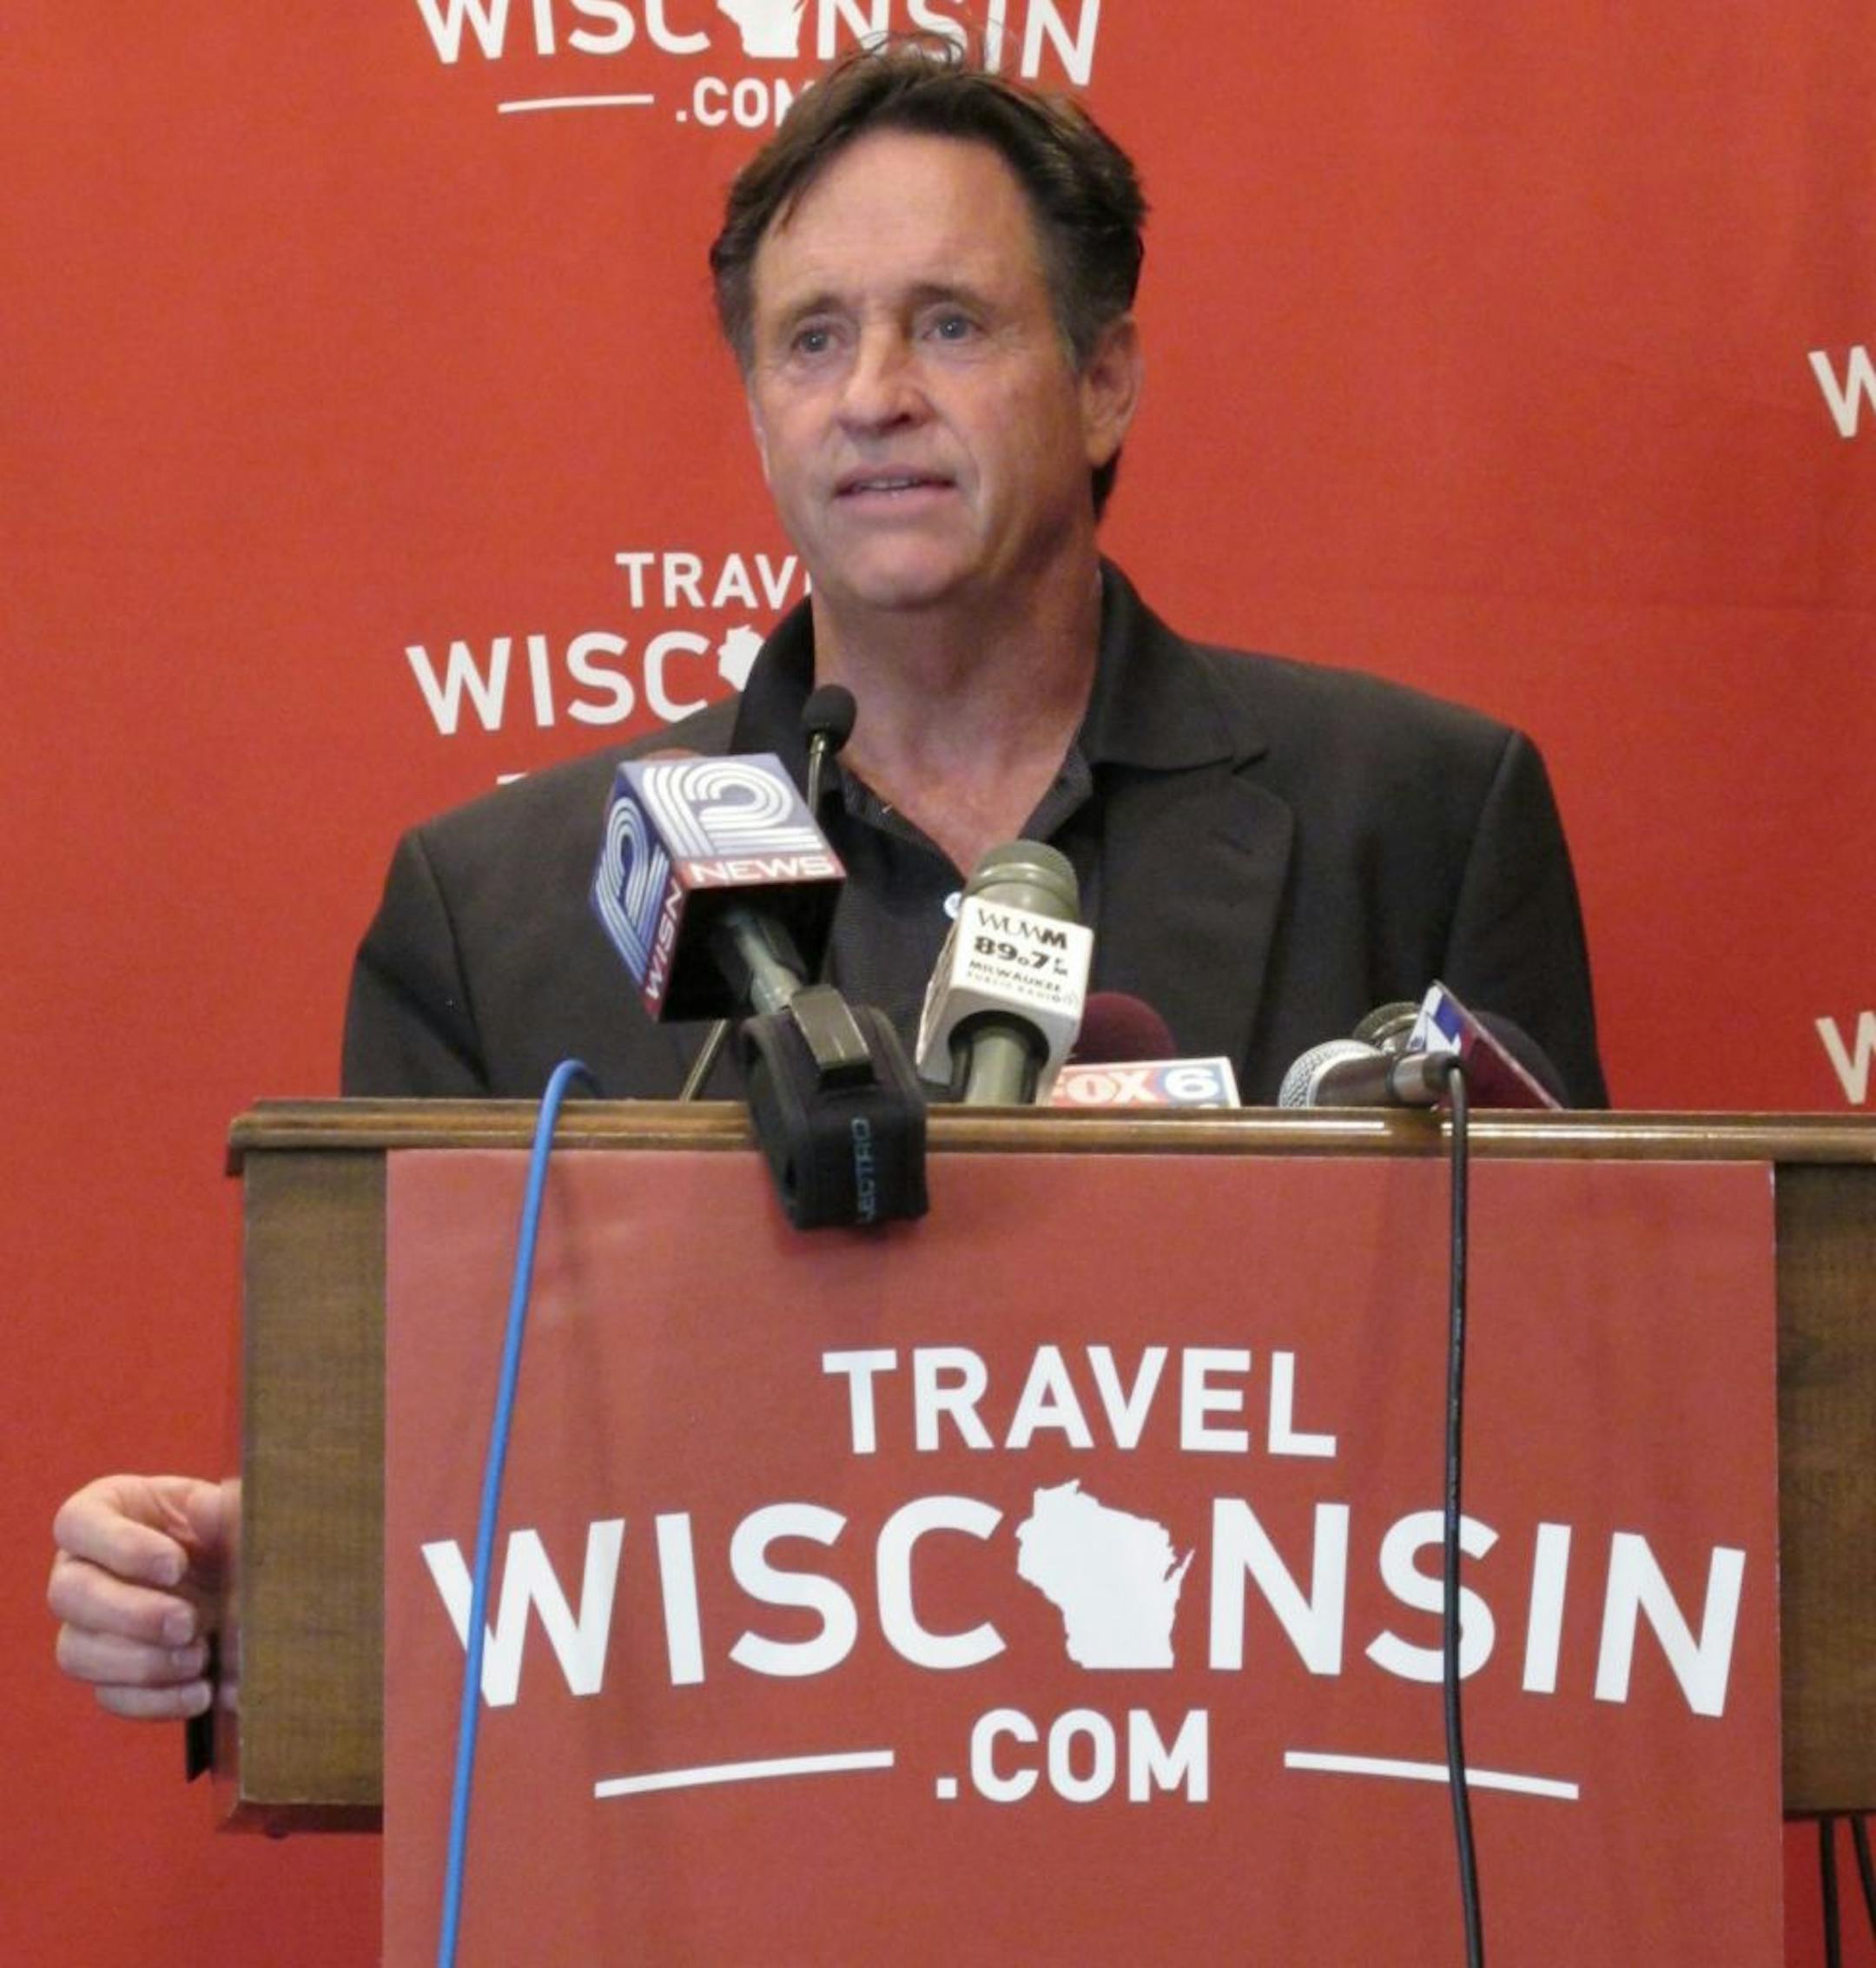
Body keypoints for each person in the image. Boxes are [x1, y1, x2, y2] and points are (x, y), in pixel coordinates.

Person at [48, 39, 1604, 1726]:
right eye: (812, 338)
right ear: (760, 407)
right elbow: (425, 1495)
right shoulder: (500, 904)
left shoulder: (1421, 817)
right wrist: (271, 1595)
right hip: (727, 1839)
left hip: (1275, 1820)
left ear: (1105, 381)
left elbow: (1579, 1444)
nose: (873, 390)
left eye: (949, 321)